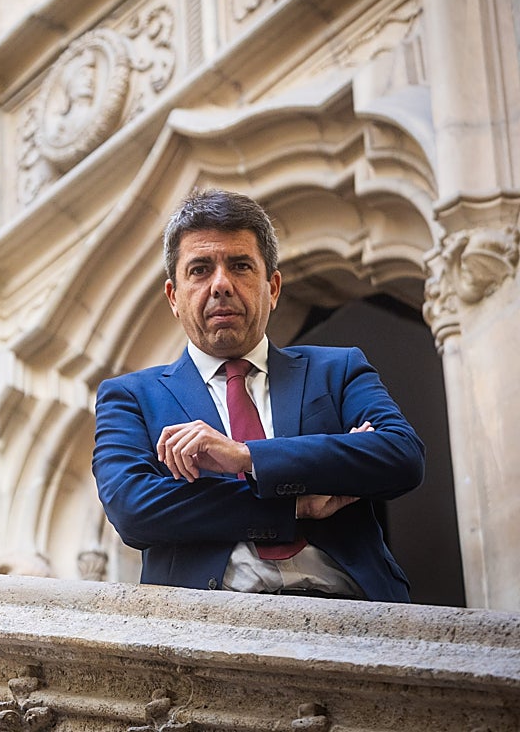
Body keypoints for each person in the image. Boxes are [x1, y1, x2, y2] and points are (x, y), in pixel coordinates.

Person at [92, 188, 424, 601]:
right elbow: (134, 509)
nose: (221, 284)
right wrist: (294, 504)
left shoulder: (337, 369)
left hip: (356, 614)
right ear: (174, 297)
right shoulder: (130, 398)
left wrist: (249, 457)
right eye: (200, 270)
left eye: (240, 265)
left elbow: (400, 455)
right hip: (208, 622)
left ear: (273, 287)